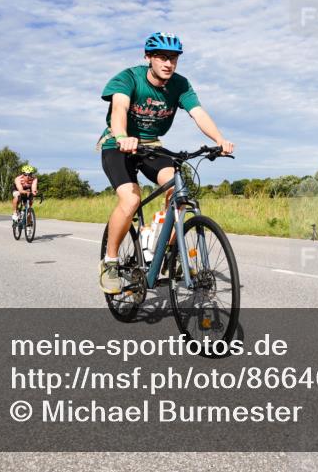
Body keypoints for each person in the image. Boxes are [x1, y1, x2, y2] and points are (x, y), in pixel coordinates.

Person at [97, 32, 234, 294]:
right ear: (148, 57)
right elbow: (119, 110)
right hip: (118, 144)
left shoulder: (180, 85)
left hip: (152, 145)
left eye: (173, 58)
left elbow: (198, 113)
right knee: (131, 200)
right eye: (161, 57)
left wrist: (220, 140)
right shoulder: (128, 78)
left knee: (178, 193)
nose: (168, 63)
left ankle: (170, 252)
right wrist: (123, 137)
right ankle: (110, 262)